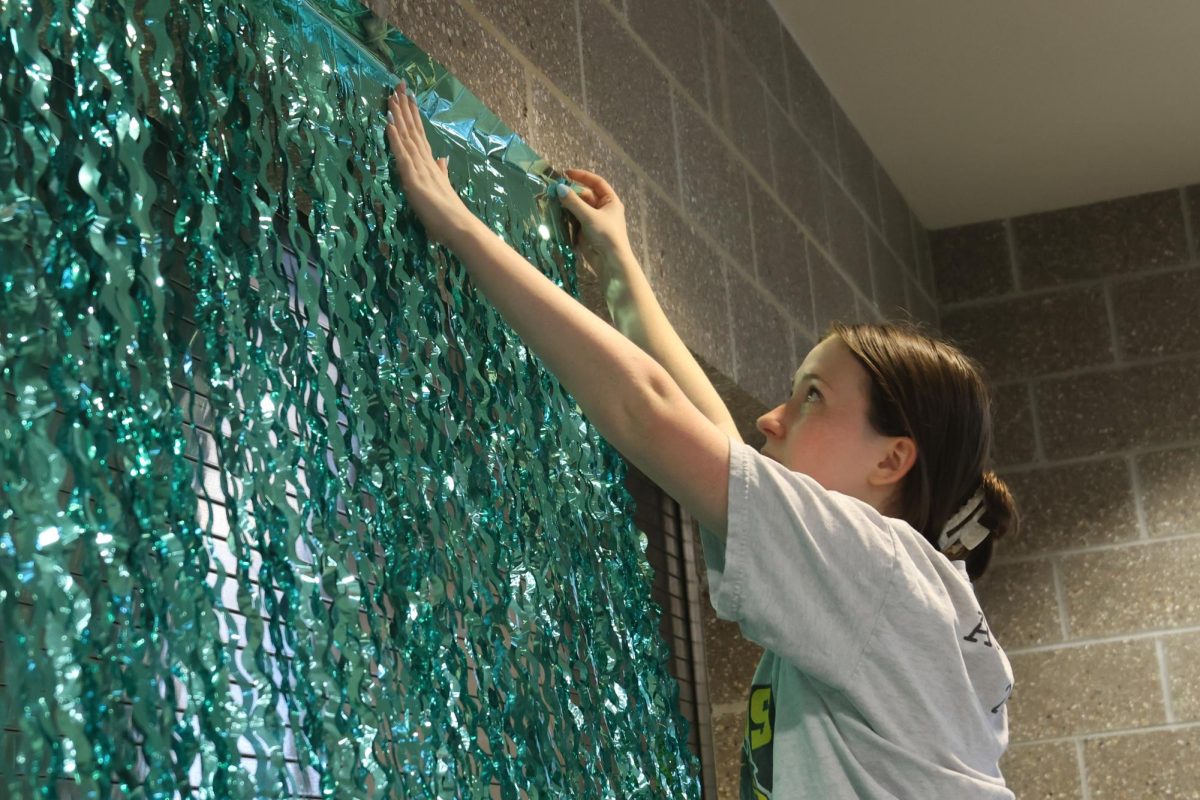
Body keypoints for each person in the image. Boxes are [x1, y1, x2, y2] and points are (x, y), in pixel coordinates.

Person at [384, 81, 1018, 799]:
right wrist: (619, 265)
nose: (770, 419)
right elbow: (704, 426)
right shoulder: (892, 592)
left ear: (892, 457)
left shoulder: (880, 573)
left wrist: (461, 228)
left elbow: (650, 413)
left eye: (811, 397)